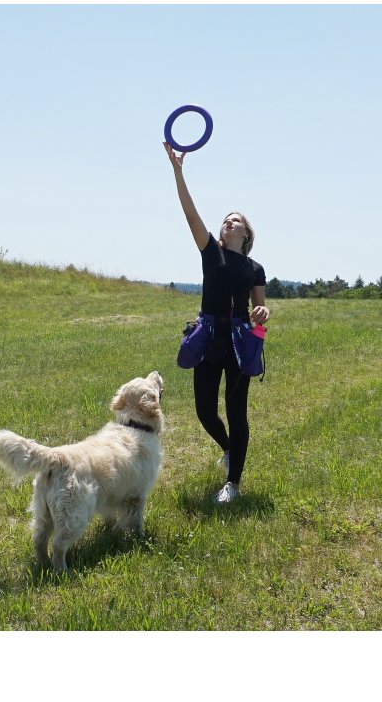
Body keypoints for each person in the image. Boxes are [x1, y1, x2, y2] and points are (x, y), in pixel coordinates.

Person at [164, 141, 269, 504]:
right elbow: (189, 214)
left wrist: (262, 317)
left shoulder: (255, 268)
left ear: (246, 234)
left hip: (240, 340)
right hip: (208, 336)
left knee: (236, 411)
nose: (228, 222)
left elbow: (260, 310)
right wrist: (178, 172)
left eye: (235, 220)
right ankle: (229, 450)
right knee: (205, 411)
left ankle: (233, 485)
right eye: (226, 219)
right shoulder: (212, 253)